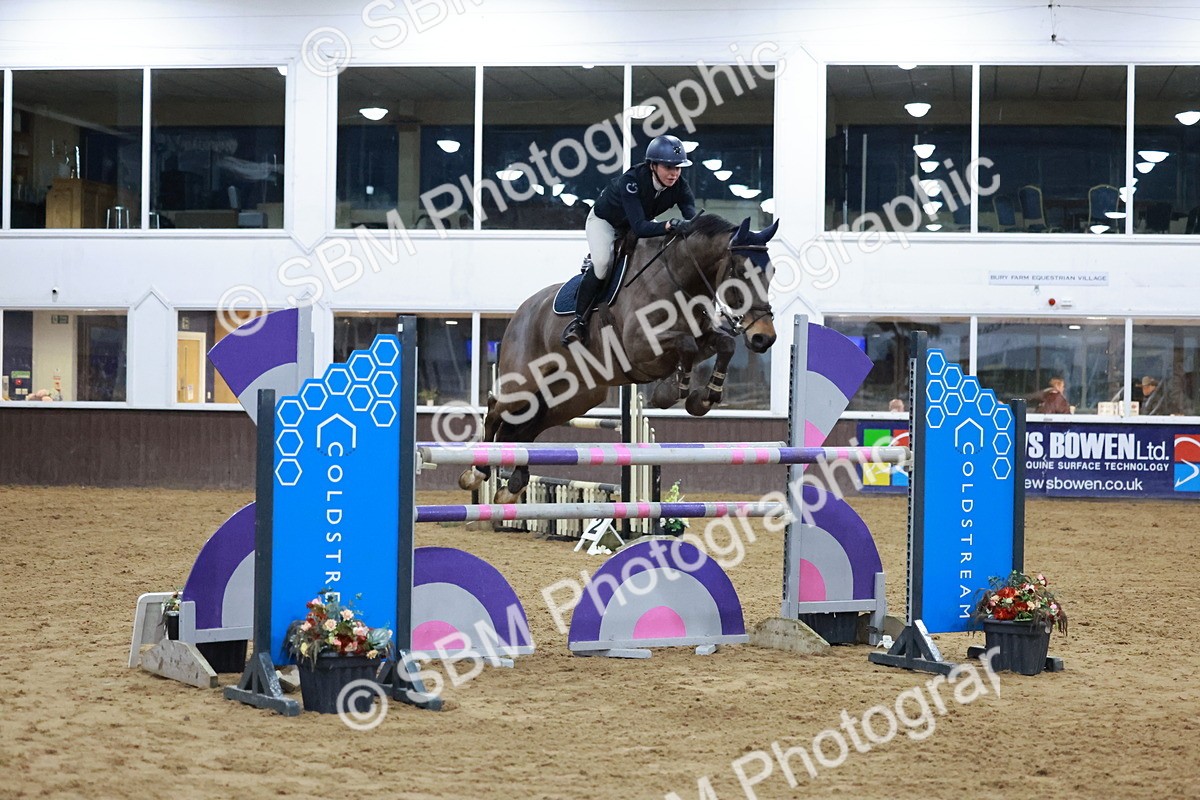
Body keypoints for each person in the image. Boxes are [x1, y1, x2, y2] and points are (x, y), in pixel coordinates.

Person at [561, 134, 698, 346]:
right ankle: (578, 322)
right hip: (605, 222)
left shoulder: (680, 186)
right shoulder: (631, 182)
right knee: (602, 264)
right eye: (668, 167)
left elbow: (693, 218)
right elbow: (640, 227)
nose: (674, 173)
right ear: (652, 165)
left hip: (636, 223)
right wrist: (669, 225)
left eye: (678, 168)